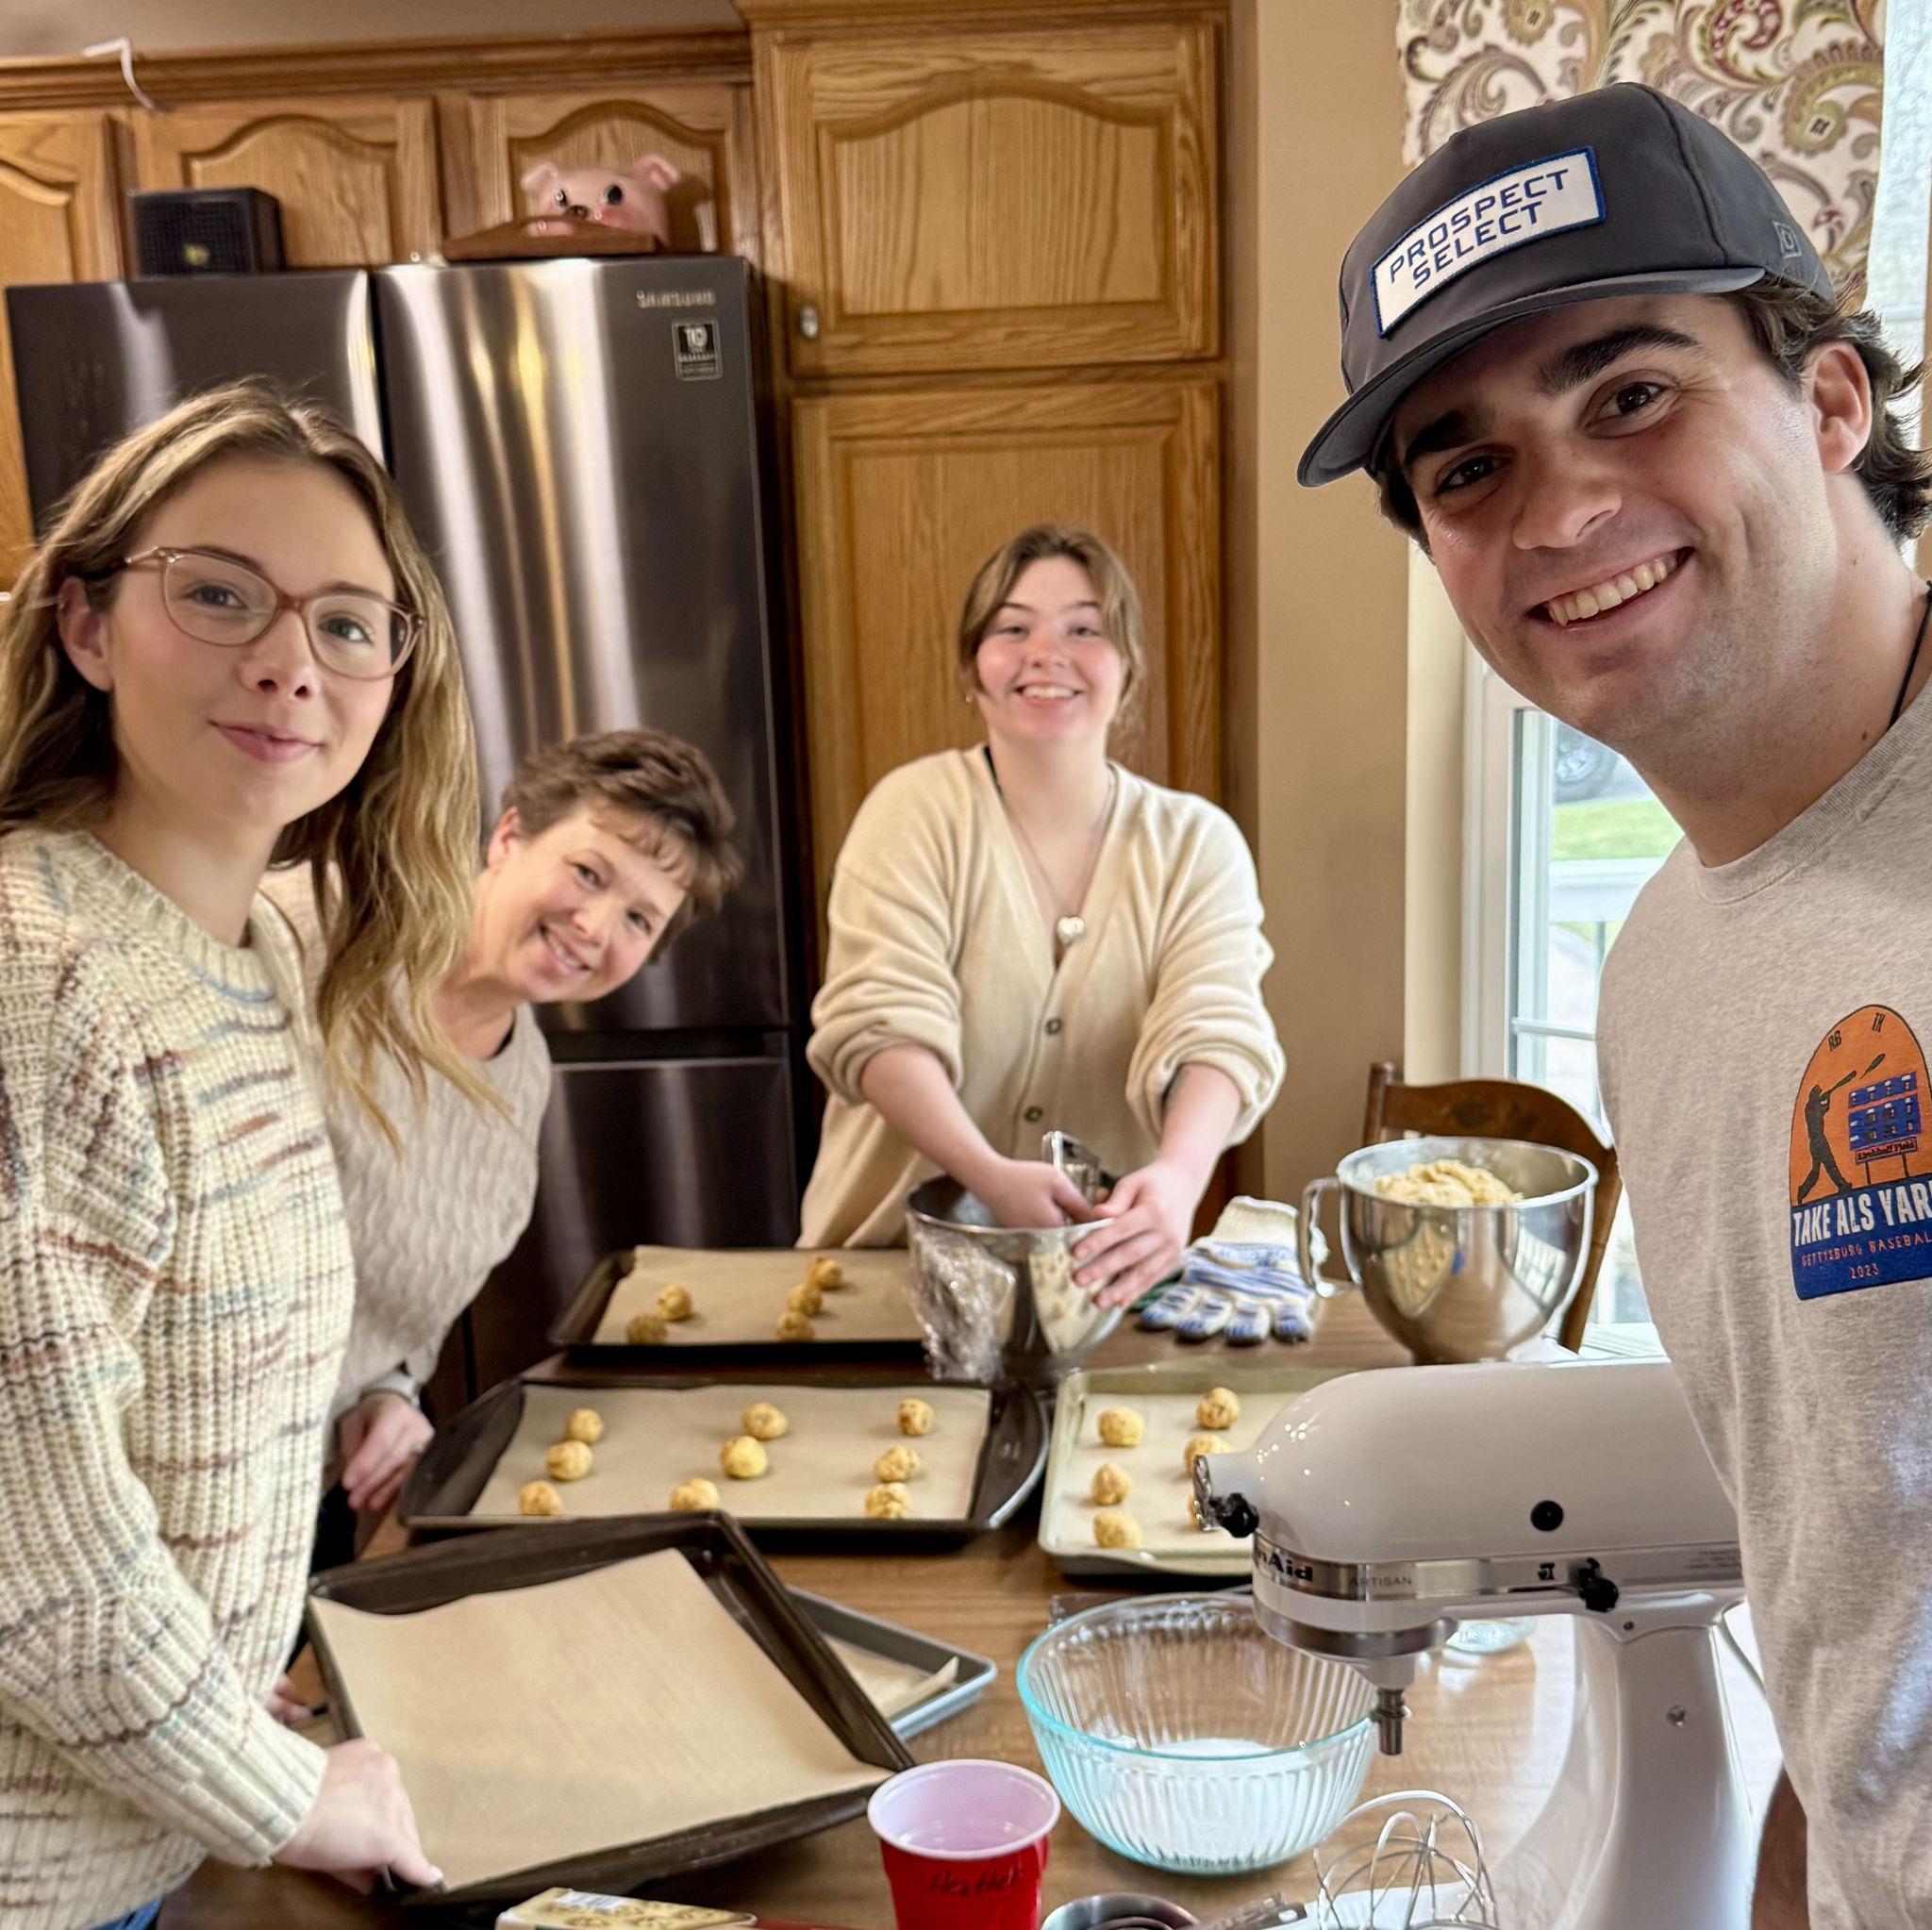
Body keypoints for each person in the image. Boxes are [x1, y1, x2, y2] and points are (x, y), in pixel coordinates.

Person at [1299, 83, 1932, 1929]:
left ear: (1831, 399)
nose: (1561, 509)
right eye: (1466, 469)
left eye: (1631, 393)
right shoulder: (1661, 968)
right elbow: (1848, 1565)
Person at [0, 380, 489, 1926]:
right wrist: (285, 1794)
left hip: (142, 1820)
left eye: (348, 623)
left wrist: (225, 1726)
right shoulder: (32, 974)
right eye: (218, 595)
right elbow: (37, 1569)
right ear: (86, 624)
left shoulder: (253, 955)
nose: (289, 663)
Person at [268, 728, 742, 1562]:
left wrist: (388, 1392)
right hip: (123, 1495)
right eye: (588, 873)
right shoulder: (303, 933)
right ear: (510, 836)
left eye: (639, 919)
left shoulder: (521, 1081)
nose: (595, 926)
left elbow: (404, 1303)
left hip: (295, 1509)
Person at [799, 524, 1284, 1307]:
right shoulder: (913, 811)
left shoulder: (1198, 844)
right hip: (889, 1270)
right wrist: (985, 1175)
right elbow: (878, 1022)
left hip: (1095, 1281)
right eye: (1013, 629)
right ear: (971, 668)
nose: (1047, 654)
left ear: (1128, 667)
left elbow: (1219, 1027)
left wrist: (1179, 1178)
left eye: (1085, 630)